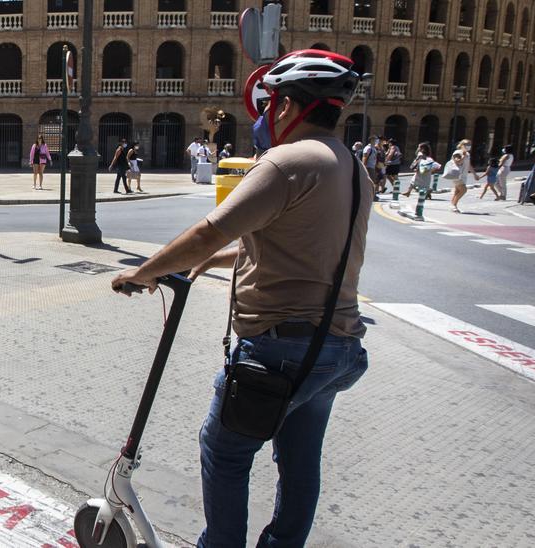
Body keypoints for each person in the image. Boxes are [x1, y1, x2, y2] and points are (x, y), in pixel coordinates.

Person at [111, 49, 370, 548]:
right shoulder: (351, 168)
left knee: (224, 451)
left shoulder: (287, 161)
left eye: (273, 102)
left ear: (289, 106)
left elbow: (210, 229)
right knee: (299, 461)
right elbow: (291, 251)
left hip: (279, 352)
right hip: (334, 350)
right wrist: (208, 264)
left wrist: (143, 272)